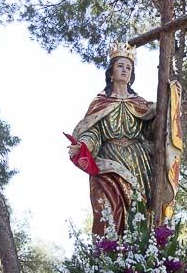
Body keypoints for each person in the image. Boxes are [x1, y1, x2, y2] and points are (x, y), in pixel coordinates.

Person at [67, 43, 178, 235]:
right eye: (120, 66)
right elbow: (93, 131)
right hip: (107, 163)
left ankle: (137, 257)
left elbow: (154, 132)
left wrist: (169, 99)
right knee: (106, 212)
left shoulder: (141, 104)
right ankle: (109, 254)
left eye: (128, 67)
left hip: (138, 163)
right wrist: (84, 145)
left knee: (139, 212)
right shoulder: (100, 103)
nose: (124, 70)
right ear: (111, 72)